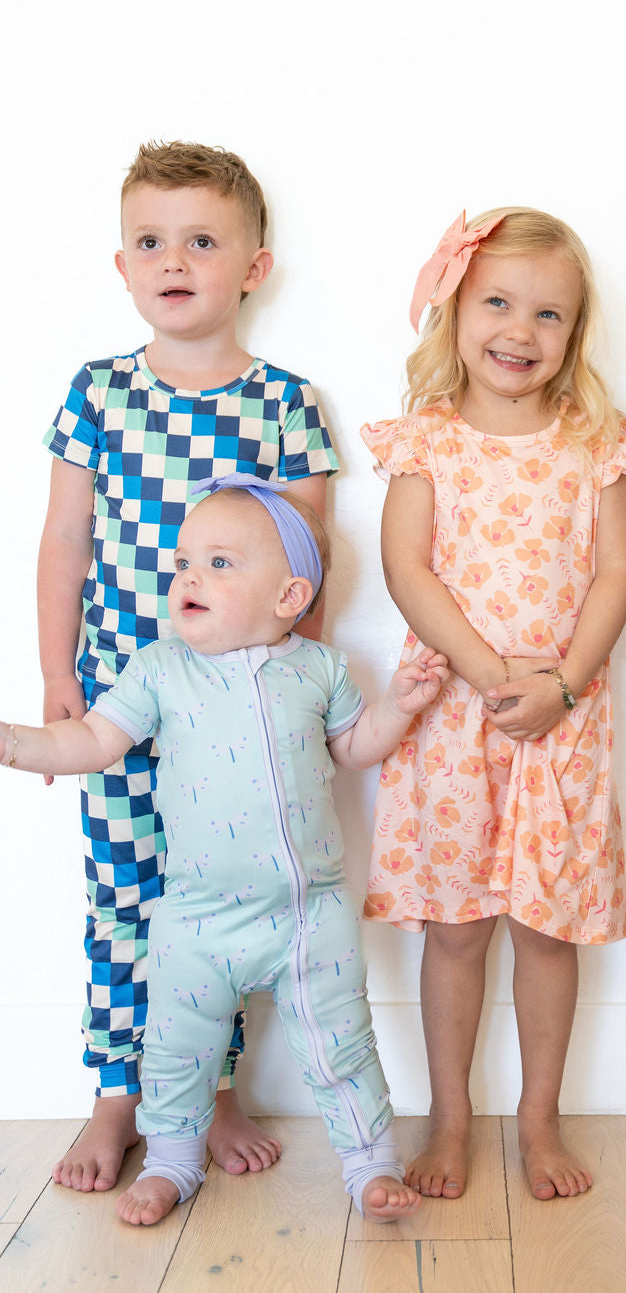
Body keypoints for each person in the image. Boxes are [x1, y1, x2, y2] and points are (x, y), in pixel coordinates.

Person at [6, 478, 446, 1225]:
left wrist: (399, 707)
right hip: (197, 918)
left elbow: (352, 748)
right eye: (184, 562)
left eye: (217, 563)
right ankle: (173, 1163)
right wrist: (16, 743)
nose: (188, 578)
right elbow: (92, 740)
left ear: (289, 596)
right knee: (177, 1050)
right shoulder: (159, 669)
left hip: (311, 914)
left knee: (342, 1045)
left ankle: (370, 1164)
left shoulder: (320, 668)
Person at [38, 141, 337, 1193]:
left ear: (253, 267)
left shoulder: (285, 404)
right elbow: (65, 541)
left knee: (219, 896)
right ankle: (118, 1091)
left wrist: (292, 698)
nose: (175, 260)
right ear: (122, 265)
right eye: (152, 241)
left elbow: (308, 563)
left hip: (233, 712)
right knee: (123, 894)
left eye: (202, 241)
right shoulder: (99, 393)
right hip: (121, 704)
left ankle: (208, 1087)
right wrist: (57, 675)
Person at [361, 207, 626, 1202]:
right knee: (456, 927)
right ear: (453, 310)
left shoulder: (595, 443)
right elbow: (407, 568)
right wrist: (489, 672)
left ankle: (539, 1116)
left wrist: (560, 681)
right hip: (454, 714)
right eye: (497, 302)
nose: (520, 330)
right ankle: (449, 1114)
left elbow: (617, 570)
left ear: (575, 332)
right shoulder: (427, 442)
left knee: (544, 929)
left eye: (548, 314)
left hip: (562, 717)